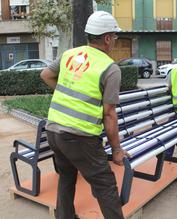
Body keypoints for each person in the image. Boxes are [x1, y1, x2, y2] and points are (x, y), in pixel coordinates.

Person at [41, 11, 128, 219]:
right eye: (115, 36)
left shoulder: (70, 54)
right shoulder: (110, 68)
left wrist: (67, 97)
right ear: (107, 38)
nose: (115, 40)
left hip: (53, 131)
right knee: (105, 184)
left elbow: (45, 75)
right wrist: (116, 150)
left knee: (67, 176)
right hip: (80, 138)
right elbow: (109, 115)